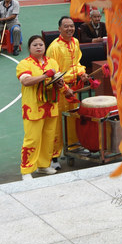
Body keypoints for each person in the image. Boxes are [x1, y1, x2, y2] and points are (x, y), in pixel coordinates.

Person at [16, 35, 63, 177]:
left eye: (41, 44)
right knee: (32, 139)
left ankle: (43, 165)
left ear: (45, 47)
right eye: (35, 45)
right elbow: (26, 81)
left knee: (49, 138)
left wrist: (62, 85)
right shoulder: (24, 64)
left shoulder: (52, 62)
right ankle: (27, 170)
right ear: (29, 48)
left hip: (51, 107)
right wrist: (44, 76)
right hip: (33, 108)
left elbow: (59, 79)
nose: (38, 47)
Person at [46, 16, 89, 170]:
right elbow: (53, 73)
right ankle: (54, 157)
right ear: (59, 29)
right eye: (66, 26)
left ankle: (73, 147)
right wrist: (65, 89)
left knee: (72, 119)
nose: (69, 29)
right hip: (60, 92)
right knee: (56, 123)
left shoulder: (75, 42)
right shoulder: (54, 47)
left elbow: (76, 63)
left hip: (74, 88)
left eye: (71, 26)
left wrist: (82, 73)